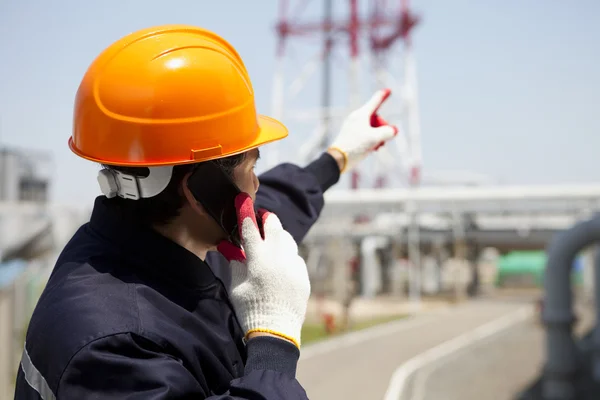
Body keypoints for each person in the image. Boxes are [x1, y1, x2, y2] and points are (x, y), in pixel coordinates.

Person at [15, 24, 398, 399]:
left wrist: (339, 155)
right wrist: (273, 345)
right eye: (251, 168)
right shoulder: (114, 345)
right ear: (201, 190)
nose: (257, 184)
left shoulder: (167, 242)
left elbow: (270, 208)